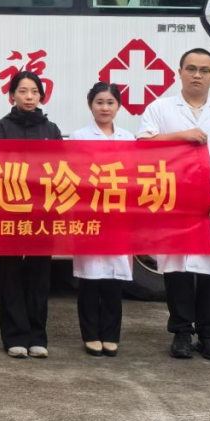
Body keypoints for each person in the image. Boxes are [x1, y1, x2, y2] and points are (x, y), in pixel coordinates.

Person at [138, 48, 210, 362]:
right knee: (178, 270)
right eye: (191, 68)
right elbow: (142, 145)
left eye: (204, 70)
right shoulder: (160, 108)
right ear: (180, 72)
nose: (197, 75)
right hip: (175, 205)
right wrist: (182, 136)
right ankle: (182, 333)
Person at [0, 71, 62, 359]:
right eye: (22, 91)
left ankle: (37, 336)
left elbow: (60, 170)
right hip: (9, 211)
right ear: (12, 96)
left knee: (39, 274)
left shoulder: (51, 130)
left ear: (41, 96)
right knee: (10, 273)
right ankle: (14, 336)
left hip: (42, 212)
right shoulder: (0, 128)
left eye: (34, 92)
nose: (29, 97)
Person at [70, 82, 134, 358]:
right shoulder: (78, 137)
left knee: (113, 279)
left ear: (118, 106)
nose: (105, 108)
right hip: (89, 214)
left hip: (118, 215)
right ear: (90, 105)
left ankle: (110, 334)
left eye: (110, 102)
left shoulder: (128, 138)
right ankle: (90, 334)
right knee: (90, 278)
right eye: (99, 102)